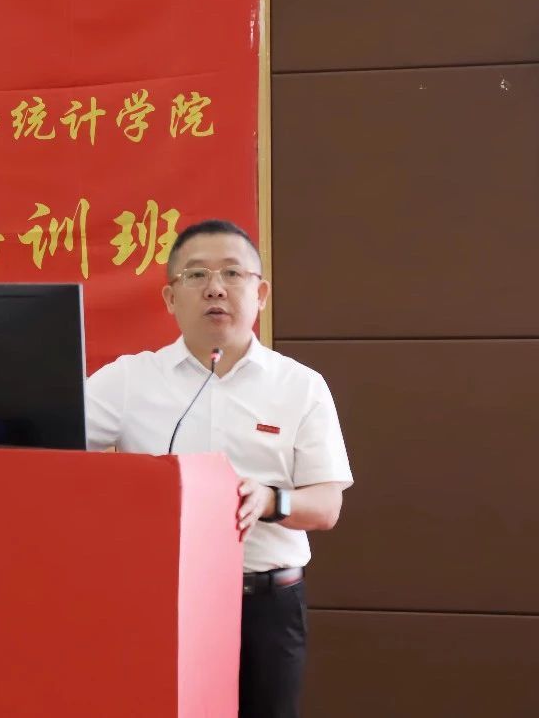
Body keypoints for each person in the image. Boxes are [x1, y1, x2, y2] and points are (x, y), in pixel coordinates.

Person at [85, 218, 353, 718]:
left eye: (232, 273)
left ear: (261, 294)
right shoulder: (128, 380)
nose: (215, 288)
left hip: (265, 607)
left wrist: (270, 500)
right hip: (159, 601)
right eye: (196, 275)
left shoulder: (301, 386)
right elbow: (47, 437)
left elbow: (327, 506)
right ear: (170, 298)